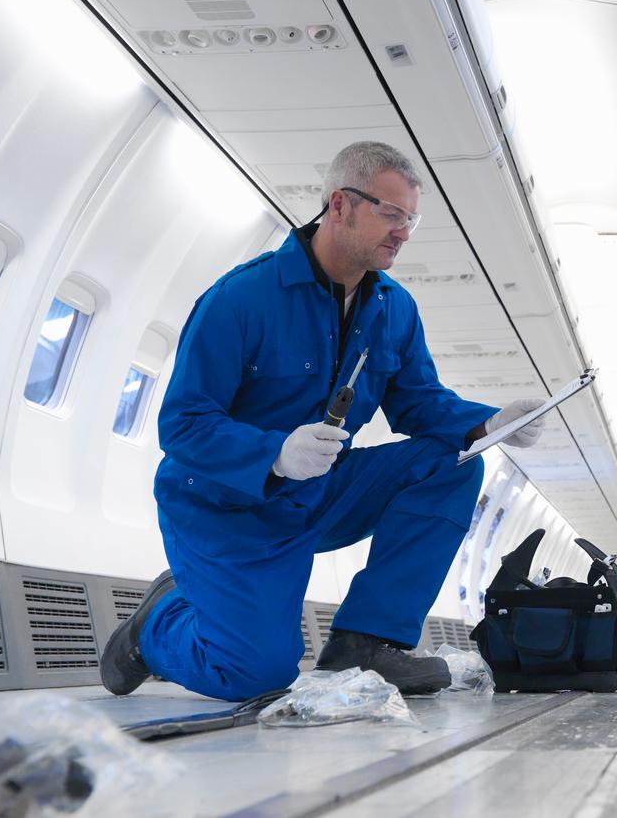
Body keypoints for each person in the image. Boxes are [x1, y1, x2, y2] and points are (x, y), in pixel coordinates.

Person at [100, 141, 547, 700]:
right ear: (340, 205)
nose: (403, 231)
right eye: (391, 214)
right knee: (255, 675)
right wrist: (275, 454)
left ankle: (365, 643)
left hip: (319, 494)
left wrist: (491, 423)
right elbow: (184, 424)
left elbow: (420, 404)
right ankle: (155, 625)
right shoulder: (243, 297)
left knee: (451, 462)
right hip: (226, 507)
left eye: (411, 218)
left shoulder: (394, 308)